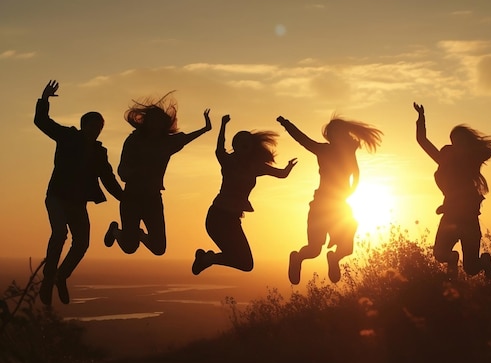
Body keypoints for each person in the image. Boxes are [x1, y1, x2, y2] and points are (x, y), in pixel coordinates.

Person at [34, 80, 124, 305]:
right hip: (56, 197)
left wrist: (126, 198)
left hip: (77, 203)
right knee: (59, 233)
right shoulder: (67, 136)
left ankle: (60, 277)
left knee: (82, 243)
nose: (95, 131)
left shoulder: (99, 152)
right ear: (84, 125)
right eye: (93, 126)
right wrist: (44, 98)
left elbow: (108, 180)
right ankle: (47, 282)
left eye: (99, 127)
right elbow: (41, 121)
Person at [277, 114, 383, 284]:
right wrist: (286, 124)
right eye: (334, 134)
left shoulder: (349, 152)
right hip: (321, 205)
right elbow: (302, 139)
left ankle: (333, 258)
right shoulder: (323, 150)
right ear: (332, 136)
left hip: (340, 206)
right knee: (313, 250)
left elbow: (356, 174)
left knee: (347, 248)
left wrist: (350, 192)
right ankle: (297, 258)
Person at [104, 93, 211, 255]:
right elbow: (122, 171)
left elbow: (185, 139)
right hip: (132, 196)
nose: (155, 124)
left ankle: (137, 234)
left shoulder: (167, 142)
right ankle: (115, 232)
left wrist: (205, 129)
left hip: (153, 198)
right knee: (129, 247)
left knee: (159, 248)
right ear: (146, 122)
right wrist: (137, 173)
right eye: (152, 120)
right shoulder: (134, 140)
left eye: (159, 121)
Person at [192, 115, 297, 274]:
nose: (244, 147)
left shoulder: (255, 167)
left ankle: (207, 259)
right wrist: (223, 125)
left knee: (246, 264)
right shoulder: (228, 161)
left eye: (247, 144)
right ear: (235, 145)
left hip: (233, 220)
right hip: (217, 218)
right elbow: (219, 148)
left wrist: (289, 167)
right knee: (239, 259)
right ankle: (206, 259)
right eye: (241, 144)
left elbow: (281, 174)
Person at [413, 102, 491, 279]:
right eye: (453, 140)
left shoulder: (470, 162)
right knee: (440, 254)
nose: (454, 144)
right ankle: (453, 259)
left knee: (472, 269)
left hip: (468, 220)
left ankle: (484, 261)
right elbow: (423, 142)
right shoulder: (445, 158)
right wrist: (421, 119)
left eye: (459, 141)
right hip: (450, 216)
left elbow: (487, 152)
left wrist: (469, 152)